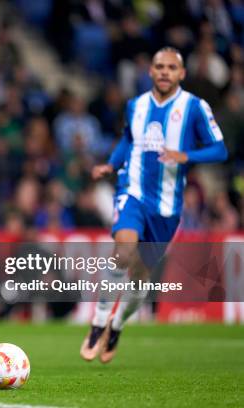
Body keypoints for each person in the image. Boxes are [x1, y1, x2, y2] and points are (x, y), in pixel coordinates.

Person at [80, 47, 227, 364]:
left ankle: (117, 326)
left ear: (181, 74)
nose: (164, 72)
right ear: (151, 71)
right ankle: (97, 323)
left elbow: (219, 150)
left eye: (171, 68)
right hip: (132, 191)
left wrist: (187, 156)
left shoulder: (194, 107)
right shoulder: (136, 105)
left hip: (167, 206)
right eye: (159, 67)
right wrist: (110, 164)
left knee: (140, 276)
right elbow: (128, 141)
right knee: (123, 251)